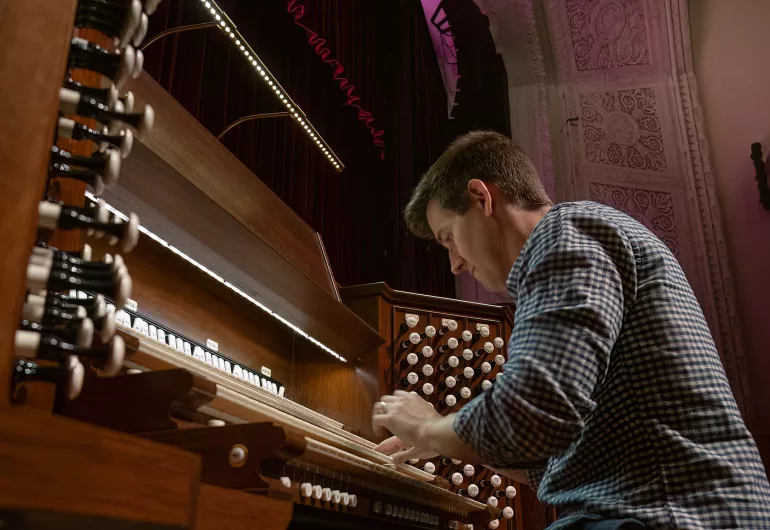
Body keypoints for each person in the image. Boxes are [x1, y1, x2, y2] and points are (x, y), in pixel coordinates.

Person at [371, 131, 770, 529]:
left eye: (449, 238)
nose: (454, 264)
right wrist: (441, 440)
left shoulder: (566, 233)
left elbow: (533, 415)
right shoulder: (572, 242)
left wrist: (428, 426)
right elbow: (558, 459)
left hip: (672, 515)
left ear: (481, 198)